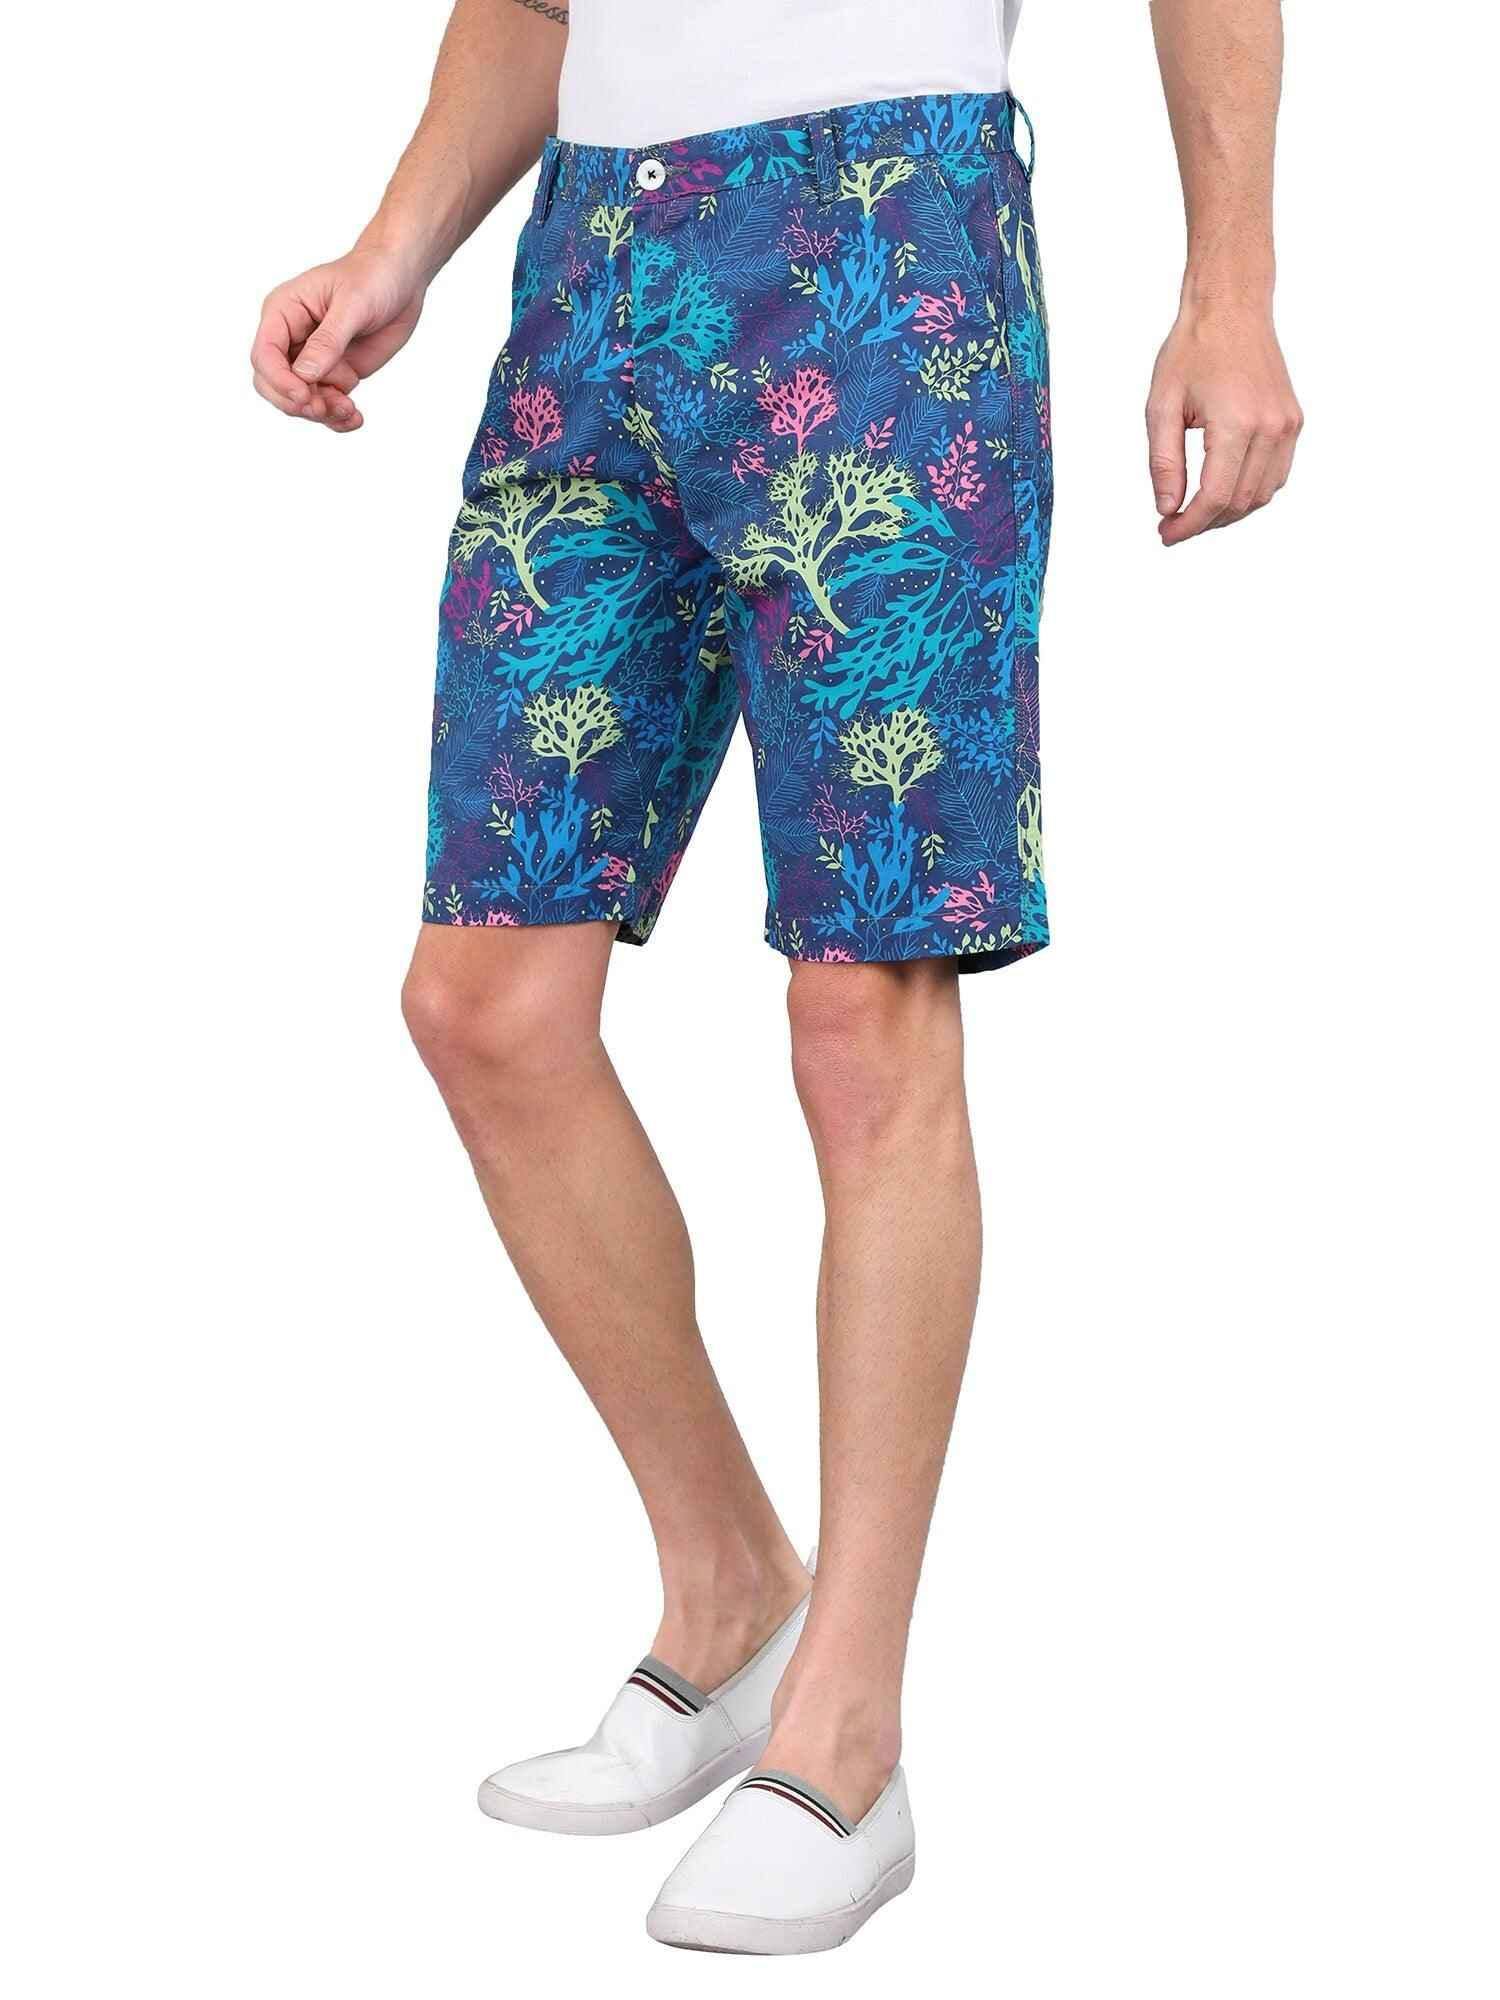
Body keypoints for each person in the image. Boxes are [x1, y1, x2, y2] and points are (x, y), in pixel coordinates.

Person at [252, 0, 1301, 1955]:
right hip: (592, 276)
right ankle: (732, 1587)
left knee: (861, 1011)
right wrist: (397, 245)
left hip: (885, 251)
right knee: (485, 1007)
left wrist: (1226, 283)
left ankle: (850, 1735)